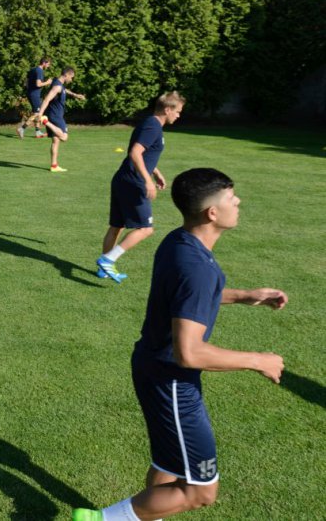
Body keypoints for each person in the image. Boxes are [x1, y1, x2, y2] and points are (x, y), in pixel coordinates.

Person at [73, 168, 287, 521]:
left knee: (168, 465)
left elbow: (185, 297)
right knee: (200, 491)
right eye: (231, 198)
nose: (238, 202)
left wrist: (243, 295)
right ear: (212, 213)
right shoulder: (197, 266)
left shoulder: (179, 241)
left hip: (154, 368)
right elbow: (190, 352)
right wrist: (258, 360)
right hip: (171, 381)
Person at [97, 92, 185, 283]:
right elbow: (135, 152)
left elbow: (144, 154)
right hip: (133, 182)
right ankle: (107, 260)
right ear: (167, 109)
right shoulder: (153, 126)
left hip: (123, 179)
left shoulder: (150, 123)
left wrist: (155, 172)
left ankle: (103, 270)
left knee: (117, 226)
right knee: (145, 229)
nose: (179, 115)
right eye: (178, 111)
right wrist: (147, 180)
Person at [33, 67, 86, 172]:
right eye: (71, 77)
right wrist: (40, 114)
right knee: (64, 137)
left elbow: (64, 90)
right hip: (55, 116)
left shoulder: (57, 83)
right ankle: (45, 122)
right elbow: (47, 99)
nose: (71, 80)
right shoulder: (57, 86)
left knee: (56, 141)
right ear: (66, 75)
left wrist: (75, 95)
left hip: (54, 114)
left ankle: (54, 166)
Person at [18, 56, 52, 139]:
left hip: (31, 93)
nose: (48, 66)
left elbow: (26, 82)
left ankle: (37, 132)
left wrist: (30, 90)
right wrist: (47, 82)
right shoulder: (39, 71)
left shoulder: (33, 69)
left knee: (37, 113)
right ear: (44, 63)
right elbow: (38, 84)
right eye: (48, 64)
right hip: (34, 95)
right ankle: (22, 129)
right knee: (37, 113)